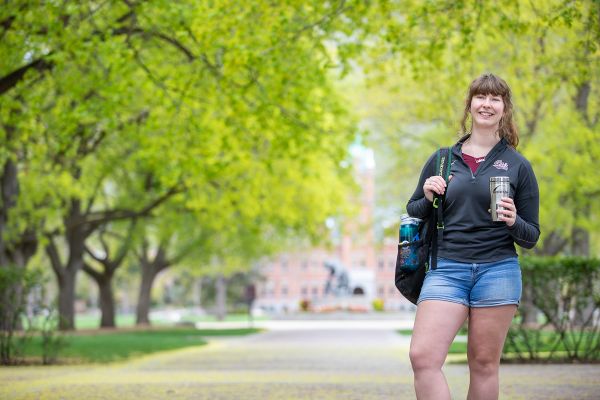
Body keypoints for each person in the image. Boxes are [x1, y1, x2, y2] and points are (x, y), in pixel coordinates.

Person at [406, 73, 540, 400]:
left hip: (498, 271)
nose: (487, 104)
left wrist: (512, 220)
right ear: (470, 105)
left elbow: (531, 236)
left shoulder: (517, 165)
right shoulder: (442, 159)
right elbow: (414, 210)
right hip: (446, 270)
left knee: (483, 364)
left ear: (504, 109)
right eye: (481, 97)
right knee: (422, 357)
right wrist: (426, 194)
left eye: (495, 98)